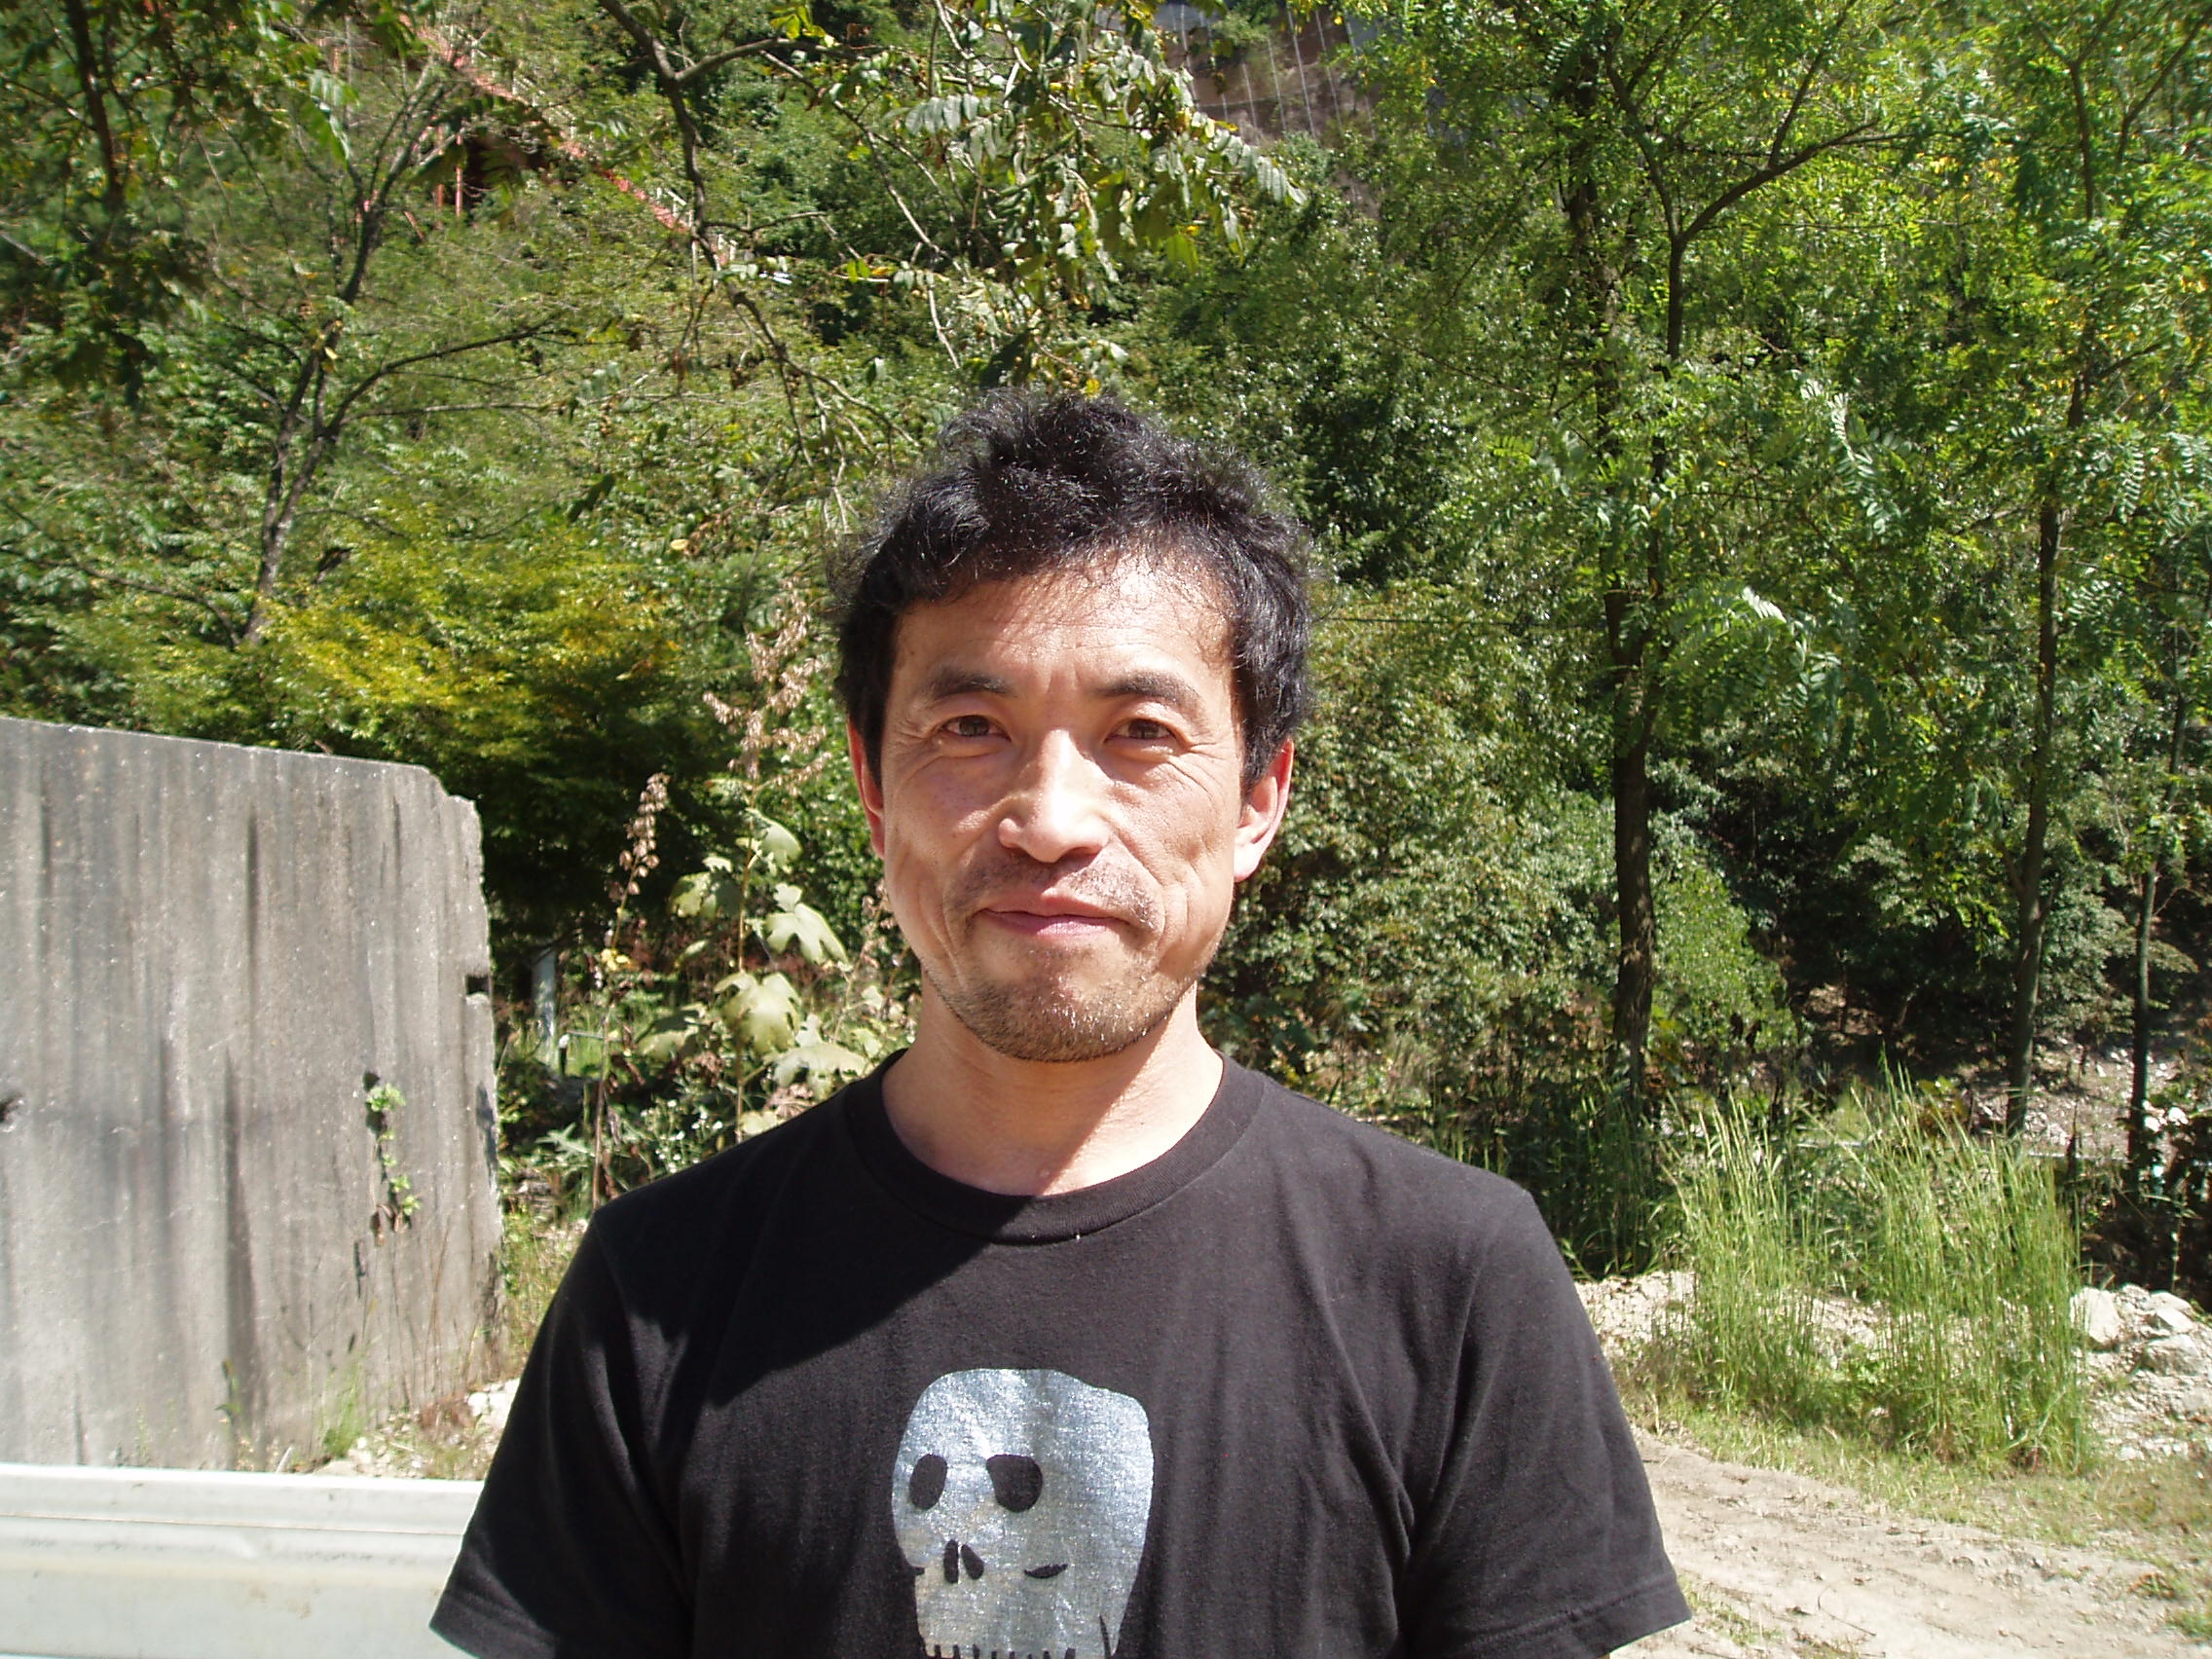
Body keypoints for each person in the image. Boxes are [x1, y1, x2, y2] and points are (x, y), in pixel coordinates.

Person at [432, 393, 1689, 1659]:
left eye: (1140, 734)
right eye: (970, 730)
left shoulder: (1451, 1282)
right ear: (873, 788)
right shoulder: (658, 1293)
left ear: (1258, 798)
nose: (1050, 821)